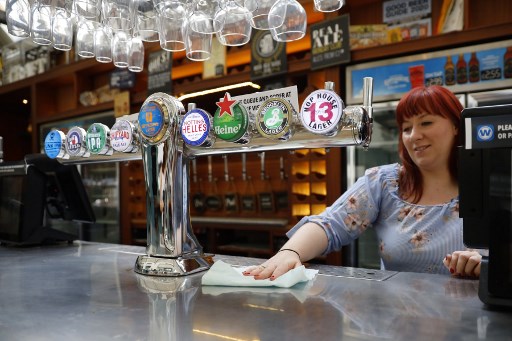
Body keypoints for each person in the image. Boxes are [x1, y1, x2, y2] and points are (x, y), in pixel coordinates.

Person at [244, 85, 482, 280]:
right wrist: (290, 252)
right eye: (406, 128)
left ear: (455, 125)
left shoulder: (487, 182)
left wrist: (488, 264)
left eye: (426, 123)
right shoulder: (386, 182)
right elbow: (330, 224)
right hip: (395, 325)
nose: (414, 135)